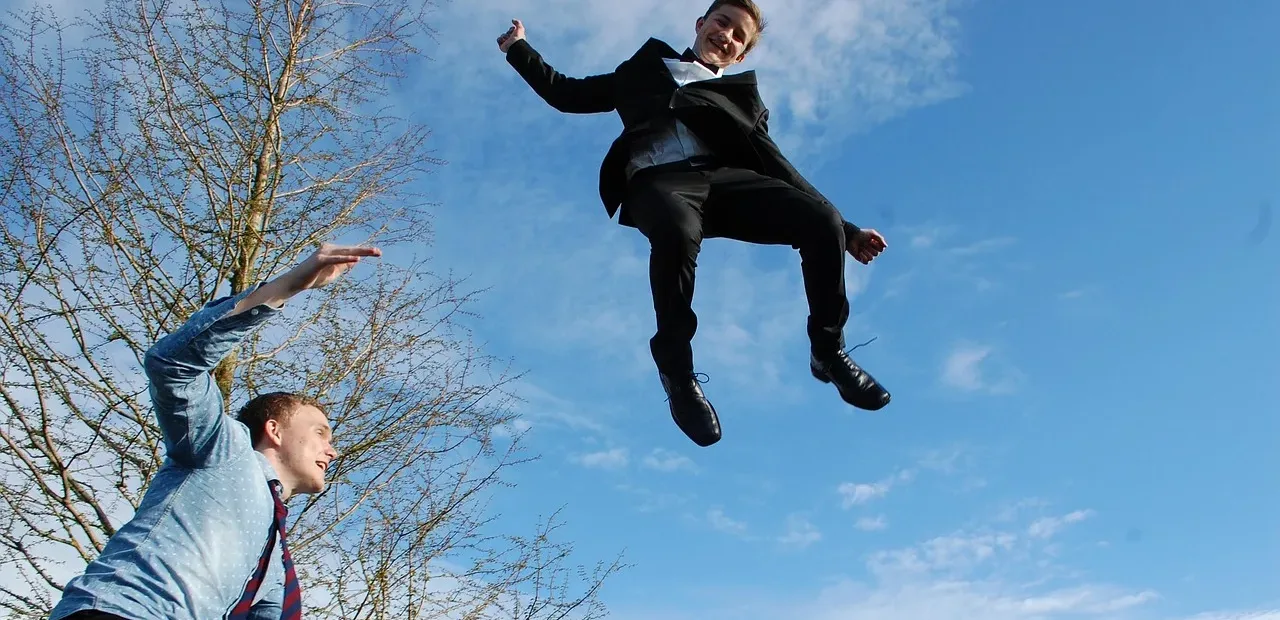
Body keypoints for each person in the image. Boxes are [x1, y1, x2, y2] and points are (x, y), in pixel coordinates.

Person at [496, 0, 891, 448]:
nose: (727, 35)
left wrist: (848, 229)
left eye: (738, 36)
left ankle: (829, 352)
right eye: (722, 23)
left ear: (740, 56)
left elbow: (781, 168)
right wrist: (519, 49)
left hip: (721, 184)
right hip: (658, 183)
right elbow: (568, 94)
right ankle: (679, 375)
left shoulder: (740, 100)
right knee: (676, 227)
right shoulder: (645, 69)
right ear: (701, 24)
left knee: (820, 221)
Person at [49, 243, 382, 620]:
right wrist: (286, 286)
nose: (332, 450)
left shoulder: (274, 567)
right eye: (321, 433)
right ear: (274, 430)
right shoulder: (224, 448)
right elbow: (172, 365)